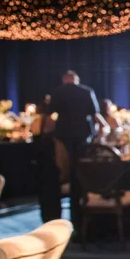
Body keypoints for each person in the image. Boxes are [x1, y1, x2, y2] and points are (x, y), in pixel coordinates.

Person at [48, 71, 106, 231]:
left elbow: (50, 115)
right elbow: (95, 115)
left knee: (65, 172)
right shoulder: (86, 91)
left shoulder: (58, 91)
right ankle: (80, 202)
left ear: (65, 80)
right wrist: (102, 132)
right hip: (83, 136)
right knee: (80, 171)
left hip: (63, 136)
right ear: (77, 80)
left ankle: (70, 200)